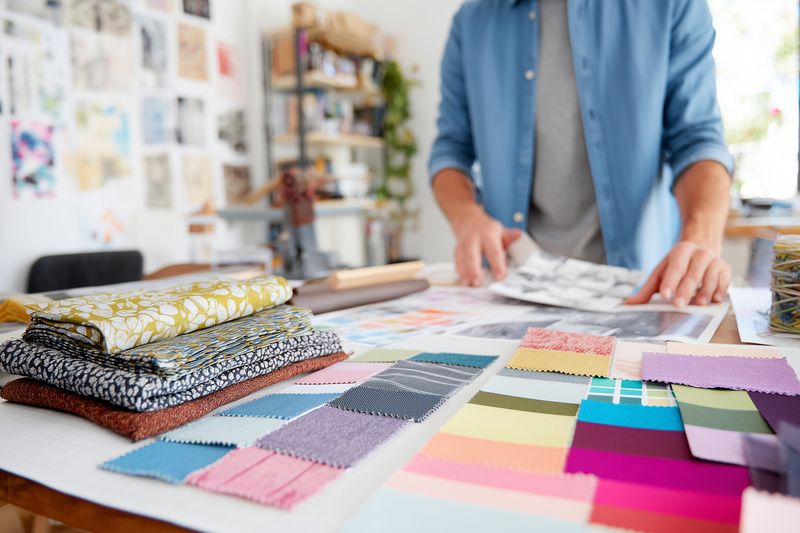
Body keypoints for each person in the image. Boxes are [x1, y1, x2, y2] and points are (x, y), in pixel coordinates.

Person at [430, 0, 733, 307]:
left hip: (639, 292)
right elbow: (450, 151)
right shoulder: (472, 21)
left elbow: (696, 140)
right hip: (513, 285)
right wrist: (467, 217)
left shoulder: (673, 6)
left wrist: (701, 237)